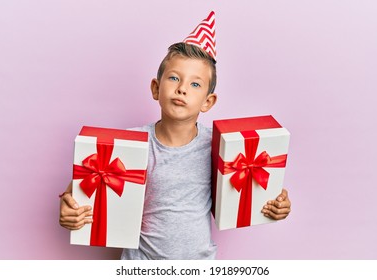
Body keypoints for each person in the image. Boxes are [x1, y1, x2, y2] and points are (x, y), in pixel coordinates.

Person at [59, 11, 291, 260]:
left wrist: (277, 204)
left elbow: (253, 189)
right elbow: (82, 188)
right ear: (156, 88)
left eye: (195, 84)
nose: (182, 88)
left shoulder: (221, 145)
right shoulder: (129, 144)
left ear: (208, 102)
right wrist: (68, 207)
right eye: (173, 78)